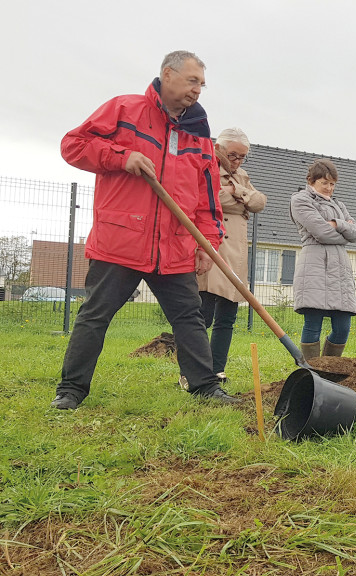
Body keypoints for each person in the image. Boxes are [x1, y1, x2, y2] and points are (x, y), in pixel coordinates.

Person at [52, 50, 236, 410]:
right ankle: (71, 390)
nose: (198, 90)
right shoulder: (125, 110)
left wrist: (207, 243)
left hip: (176, 246)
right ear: (167, 75)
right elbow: (73, 146)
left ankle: (204, 387)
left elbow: (207, 199)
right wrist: (121, 157)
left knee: (189, 317)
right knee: (95, 315)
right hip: (121, 241)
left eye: (202, 84)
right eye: (192, 80)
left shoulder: (198, 136)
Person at [179, 127, 267, 390]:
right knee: (202, 316)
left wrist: (236, 191)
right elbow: (207, 199)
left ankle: (217, 369)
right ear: (218, 148)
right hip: (211, 247)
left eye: (242, 157)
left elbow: (260, 202)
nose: (238, 161)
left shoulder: (241, 176)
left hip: (235, 255)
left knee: (227, 317)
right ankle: (191, 372)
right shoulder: (204, 164)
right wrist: (241, 197)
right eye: (233, 155)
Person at [291, 159, 356, 360]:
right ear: (311, 181)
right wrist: (344, 230)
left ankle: (329, 370)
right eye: (325, 183)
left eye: (332, 184)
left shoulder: (338, 204)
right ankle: (312, 372)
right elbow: (322, 233)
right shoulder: (300, 200)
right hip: (314, 267)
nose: (329, 188)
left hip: (340, 271)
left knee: (342, 328)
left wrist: (335, 223)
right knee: (313, 324)